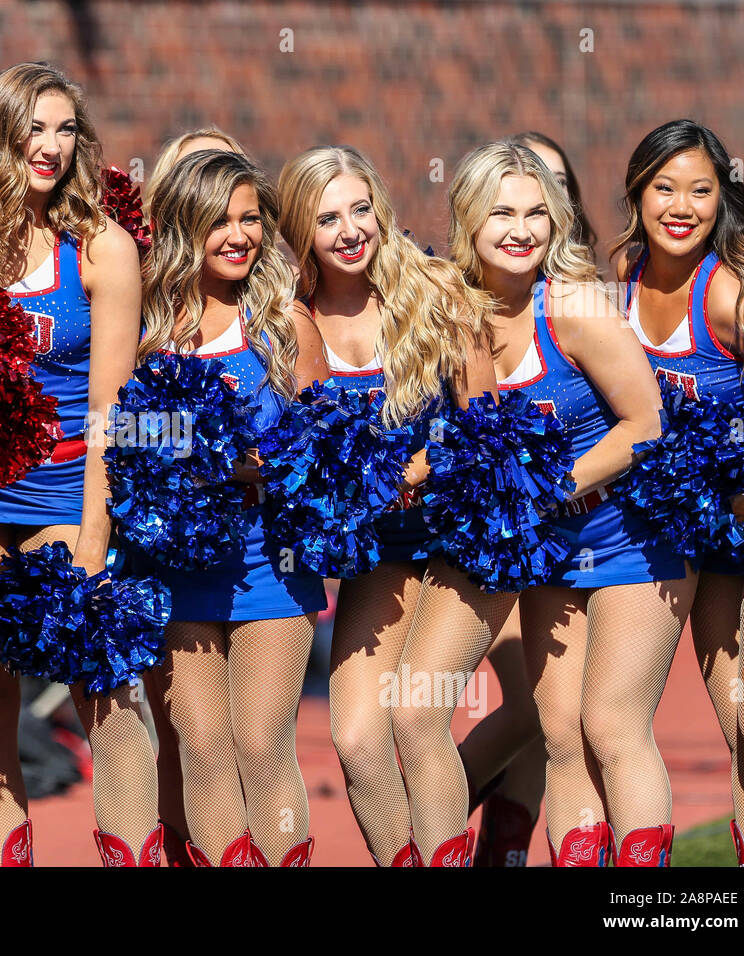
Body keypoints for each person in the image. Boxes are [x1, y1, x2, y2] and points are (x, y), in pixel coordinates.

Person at [452, 140, 690, 866]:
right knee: (559, 735)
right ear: (468, 221)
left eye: (536, 213)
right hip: (550, 551)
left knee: (613, 724)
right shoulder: (461, 316)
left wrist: (548, 488)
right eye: (502, 213)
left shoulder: (576, 304)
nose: (522, 229)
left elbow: (646, 421)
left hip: (632, 535)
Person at [0, 62, 160, 866]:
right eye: (34, 127)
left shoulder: (100, 246)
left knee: (106, 698)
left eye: (66, 128)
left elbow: (116, 411)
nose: (51, 145)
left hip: (68, 497)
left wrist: (95, 535)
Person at [277, 145, 493, 865]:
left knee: (416, 716)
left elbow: (488, 419)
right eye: (327, 217)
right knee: (358, 739)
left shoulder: (435, 291)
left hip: (461, 535)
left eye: (359, 209)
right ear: (302, 232)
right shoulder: (295, 320)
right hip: (382, 551)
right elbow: (301, 447)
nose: (349, 230)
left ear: (381, 209)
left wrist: (420, 465)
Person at [140, 148, 328, 866]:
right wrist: (187, 454)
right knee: (204, 744)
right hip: (177, 562)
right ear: (186, 224)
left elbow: (321, 448)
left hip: (268, 560)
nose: (239, 234)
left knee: (260, 741)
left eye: (252, 218)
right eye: (220, 219)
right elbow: (121, 432)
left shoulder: (285, 324)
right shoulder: (149, 329)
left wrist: (259, 465)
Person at [614, 120, 744, 866]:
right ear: (638, 194)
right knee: (735, 721)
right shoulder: (620, 280)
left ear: (723, 201)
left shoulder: (731, 299)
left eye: (701, 191)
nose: (681, 206)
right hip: (701, 534)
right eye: (664, 188)